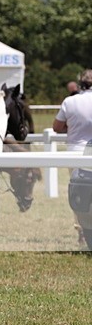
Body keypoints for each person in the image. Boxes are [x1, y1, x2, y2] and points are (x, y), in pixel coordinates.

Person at [54, 69, 92, 245]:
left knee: (78, 194)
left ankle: (81, 231)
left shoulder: (70, 101)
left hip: (75, 152)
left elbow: (57, 126)